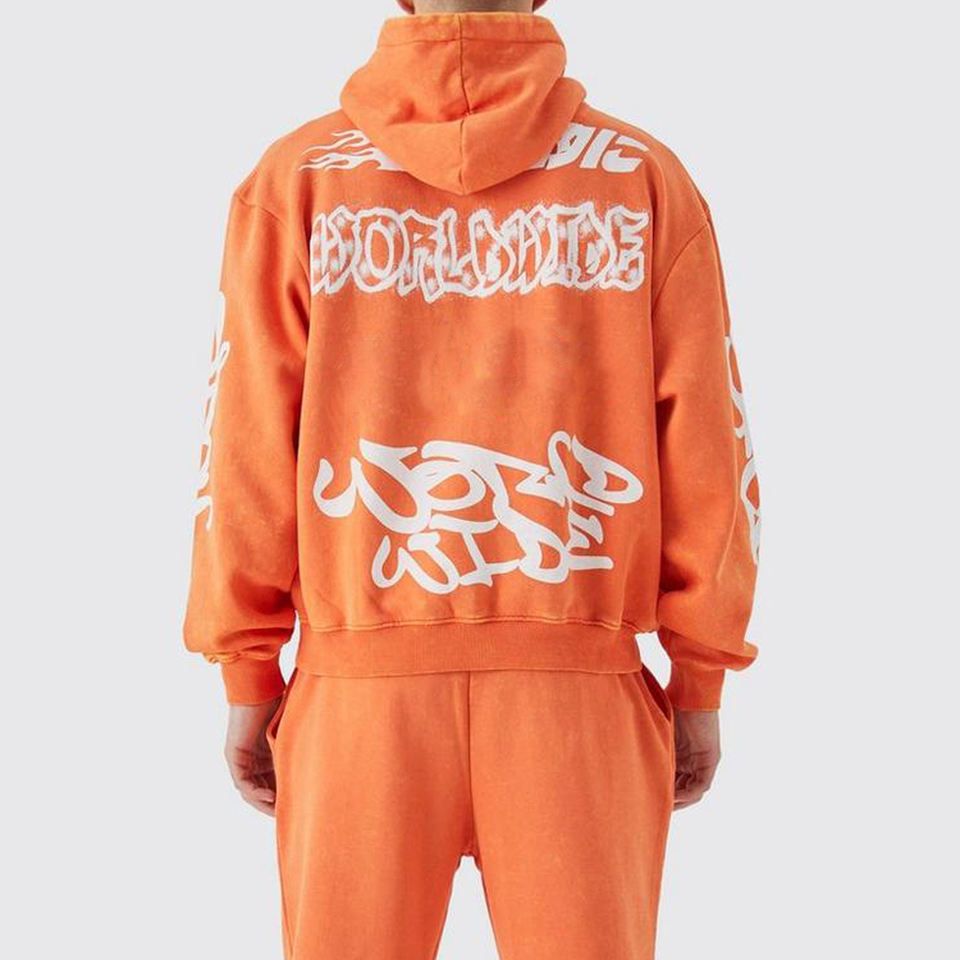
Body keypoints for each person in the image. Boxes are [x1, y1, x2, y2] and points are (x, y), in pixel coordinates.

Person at [184, 0, 761, 957]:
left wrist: (248, 669)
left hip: (360, 695)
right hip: (577, 694)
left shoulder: (298, 181)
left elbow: (244, 447)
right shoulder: (642, 180)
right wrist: (700, 676)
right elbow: (709, 448)